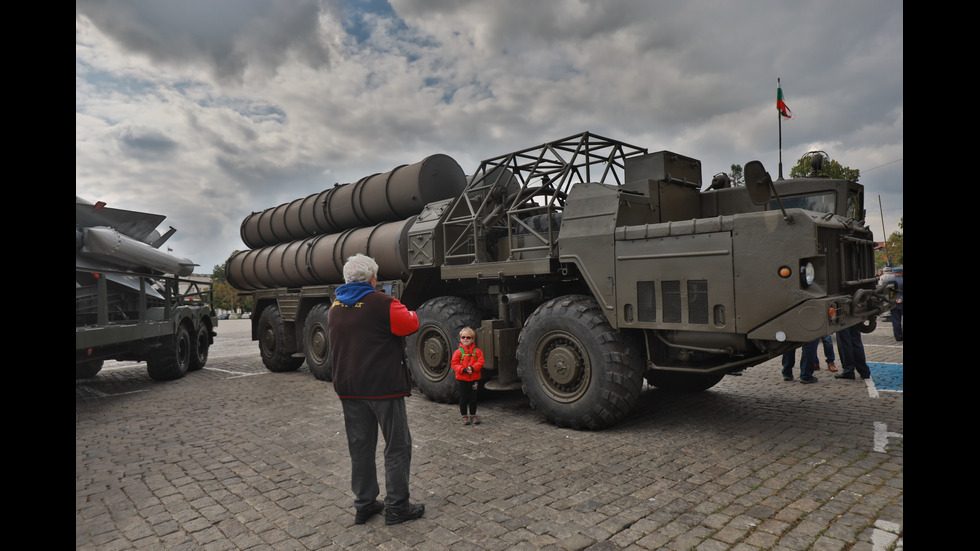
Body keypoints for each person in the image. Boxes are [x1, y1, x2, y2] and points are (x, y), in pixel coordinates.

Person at [327, 254, 425, 525]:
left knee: (360, 448)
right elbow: (411, 324)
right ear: (372, 278)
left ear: (347, 279)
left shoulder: (334, 307)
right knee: (397, 447)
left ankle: (365, 503)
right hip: (382, 388)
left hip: (349, 388)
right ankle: (397, 508)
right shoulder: (383, 302)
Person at [452, 327, 485, 425]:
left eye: (468, 337)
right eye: (463, 337)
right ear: (460, 339)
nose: (465, 339)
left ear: (473, 339)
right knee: (463, 398)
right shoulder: (458, 352)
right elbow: (454, 363)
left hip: (474, 379)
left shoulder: (477, 352)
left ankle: (473, 414)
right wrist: (463, 370)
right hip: (462, 379)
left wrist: (473, 368)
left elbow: (481, 362)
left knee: (473, 397)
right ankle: (464, 415)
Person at [890, 266, 903, 342]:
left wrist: (895, 299)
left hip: (893, 303)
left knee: (896, 321)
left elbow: (888, 293)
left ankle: (898, 336)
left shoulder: (888, 281)